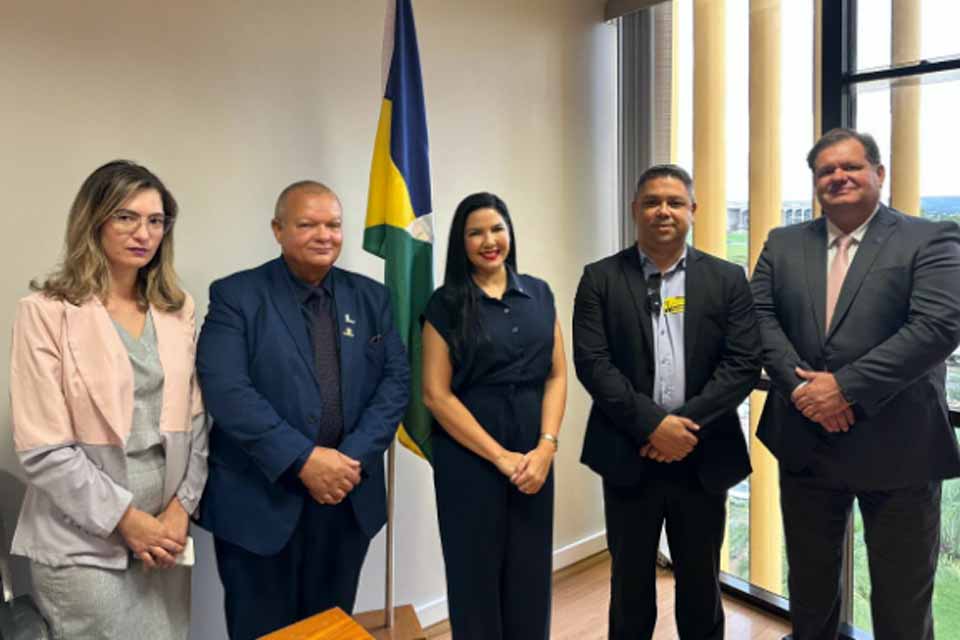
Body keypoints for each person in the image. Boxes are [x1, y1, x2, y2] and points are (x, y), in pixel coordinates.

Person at [751, 128, 960, 639]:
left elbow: (936, 327)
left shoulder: (929, 238)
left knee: (901, 597)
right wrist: (805, 392)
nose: (839, 177)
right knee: (810, 585)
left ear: (879, 174)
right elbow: (756, 318)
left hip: (899, 448)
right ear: (816, 183)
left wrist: (843, 389)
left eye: (852, 167)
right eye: (827, 171)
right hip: (805, 442)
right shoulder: (783, 242)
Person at [195, 181, 409, 639]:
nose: (324, 235)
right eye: (308, 224)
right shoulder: (237, 296)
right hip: (261, 502)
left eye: (333, 224)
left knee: (330, 629)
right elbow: (227, 390)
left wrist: (346, 461)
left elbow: (395, 384)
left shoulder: (372, 299)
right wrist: (305, 459)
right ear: (278, 229)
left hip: (345, 500)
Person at [9, 160, 209, 640]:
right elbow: (43, 449)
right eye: (126, 217)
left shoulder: (177, 309)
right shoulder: (46, 313)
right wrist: (126, 520)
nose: (144, 232)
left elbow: (197, 422)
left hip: (164, 536)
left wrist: (182, 508)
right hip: (85, 539)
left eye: (156, 220)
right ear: (93, 220)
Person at [574, 164, 760, 639]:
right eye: (653, 202)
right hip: (627, 454)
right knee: (630, 584)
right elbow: (593, 364)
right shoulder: (600, 279)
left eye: (675, 202)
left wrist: (682, 427)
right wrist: (652, 427)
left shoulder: (726, 279)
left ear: (693, 211)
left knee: (700, 584)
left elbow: (741, 364)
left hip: (703, 456)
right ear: (635, 210)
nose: (663, 211)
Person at [422, 192, 567, 640]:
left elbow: (558, 376)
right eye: (476, 232)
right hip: (469, 457)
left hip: (534, 455)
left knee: (530, 573)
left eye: (497, 228)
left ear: (510, 233)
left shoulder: (539, 293)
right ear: (460, 242)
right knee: (475, 577)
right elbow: (435, 395)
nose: (489, 240)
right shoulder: (445, 303)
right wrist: (500, 457)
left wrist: (546, 447)